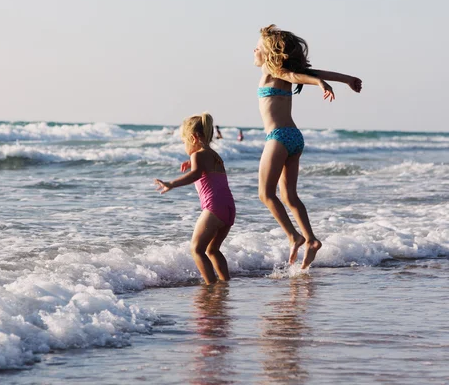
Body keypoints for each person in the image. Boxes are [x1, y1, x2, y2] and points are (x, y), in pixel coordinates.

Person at [253, 24, 362, 269]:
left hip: (279, 137)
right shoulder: (279, 71)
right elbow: (304, 72)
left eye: (257, 48)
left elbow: (294, 76)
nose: (254, 50)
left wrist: (319, 83)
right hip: (294, 137)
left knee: (265, 194)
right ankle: (311, 240)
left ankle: (295, 236)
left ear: (269, 53)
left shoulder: (272, 70)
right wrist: (345, 79)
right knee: (289, 196)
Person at [155, 113, 235, 284]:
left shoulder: (198, 155)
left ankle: (211, 286)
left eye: (184, 142)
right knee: (213, 250)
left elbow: (196, 174)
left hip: (214, 208)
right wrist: (192, 162)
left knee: (196, 249)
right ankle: (225, 283)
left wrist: (172, 183)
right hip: (229, 208)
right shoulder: (215, 155)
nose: (184, 145)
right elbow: (207, 170)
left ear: (193, 137)